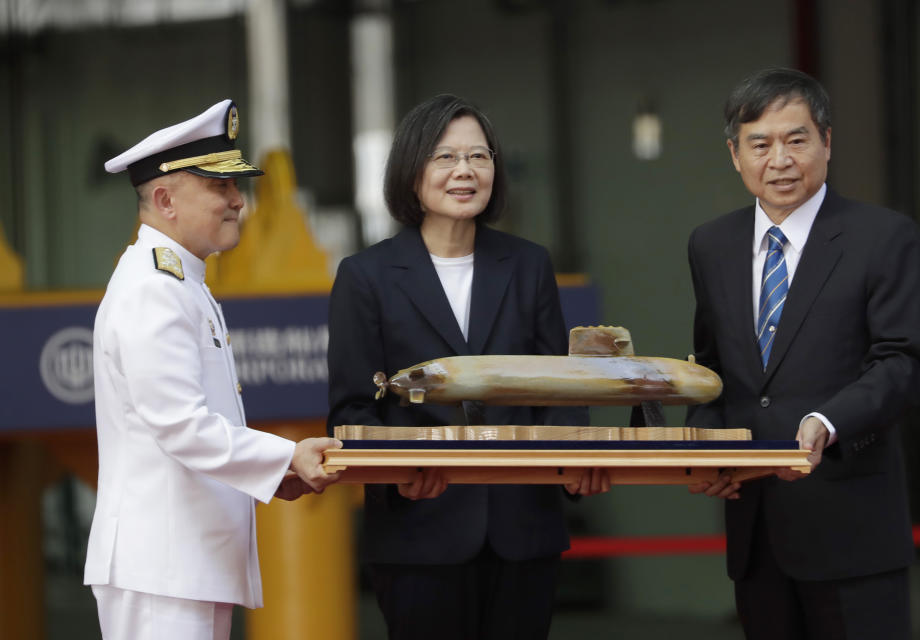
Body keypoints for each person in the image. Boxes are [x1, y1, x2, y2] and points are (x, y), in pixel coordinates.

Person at [327, 94, 609, 640]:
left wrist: (573, 463)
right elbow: (350, 410)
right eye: (445, 157)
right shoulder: (367, 277)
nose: (465, 171)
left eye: (479, 157)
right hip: (419, 532)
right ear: (411, 171)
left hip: (522, 529)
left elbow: (561, 388)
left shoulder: (528, 265)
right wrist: (398, 476)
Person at [686, 68, 920, 638]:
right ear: (734, 154)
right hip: (755, 530)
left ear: (826, 141)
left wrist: (828, 421)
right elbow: (710, 365)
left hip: (853, 531)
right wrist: (705, 444)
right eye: (760, 143)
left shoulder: (882, 236)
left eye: (796, 140)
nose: (780, 159)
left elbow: (906, 359)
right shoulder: (711, 244)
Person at [83, 99, 342, 640]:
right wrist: (285, 456)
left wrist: (278, 472)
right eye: (219, 187)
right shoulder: (154, 290)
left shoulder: (179, 283)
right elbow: (181, 424)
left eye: (235, 187)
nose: (238, 202)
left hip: (180, 563)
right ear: (164, 199)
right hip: (162, 568)